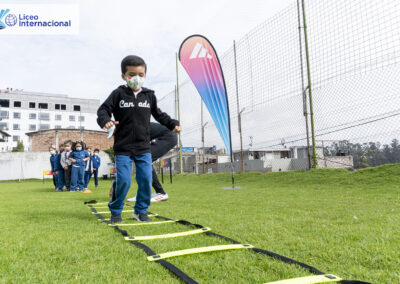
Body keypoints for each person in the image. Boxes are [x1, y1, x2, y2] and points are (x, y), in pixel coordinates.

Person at [97, 55, 180, 223]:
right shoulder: (118, 94)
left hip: (143, 147)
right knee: (124, 181)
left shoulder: (149, 96)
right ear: (124, 76)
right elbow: (103, 110)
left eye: (141, 75)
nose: (136, 78)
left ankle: (141, 211)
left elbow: (159, 114)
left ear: (145, 75)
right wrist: (105, 120)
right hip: (123, 147)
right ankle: (115, 211)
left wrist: (172, 123)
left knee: (145, 180)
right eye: (132, 74)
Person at [126, 122, 177, 202]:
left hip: (168, 138)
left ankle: (160, 193)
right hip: (162, 138)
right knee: (142, 160)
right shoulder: (133, 129)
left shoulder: (136, 129)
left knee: (144, 160)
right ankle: (146, 193)